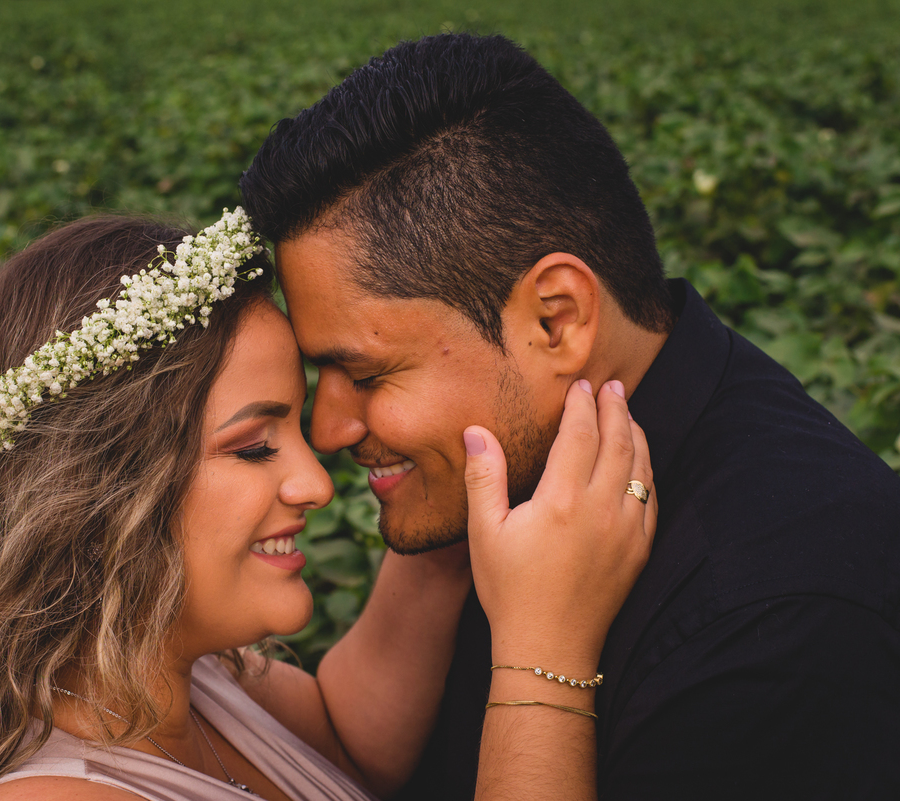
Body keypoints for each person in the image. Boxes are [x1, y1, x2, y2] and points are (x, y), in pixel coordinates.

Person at [239, 32, 900, 800]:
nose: (327, 433)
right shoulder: (496, 474)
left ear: (556, 320)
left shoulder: (774, 625)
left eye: (365, 373)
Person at [0, 209, 656, 801]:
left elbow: (347, 737)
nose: (316, 482)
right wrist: (544, 648)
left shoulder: (183, 677)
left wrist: (443, 470)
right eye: (255, 445)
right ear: (102, 484)